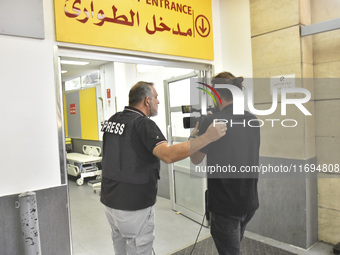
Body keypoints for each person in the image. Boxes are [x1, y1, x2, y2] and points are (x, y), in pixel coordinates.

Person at [100, 81, 227, 255]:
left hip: (110, 201)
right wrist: (207, 137)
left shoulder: (114, 119)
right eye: (156, 97)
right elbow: (168, 155)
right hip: (134, 205)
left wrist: (192, 139)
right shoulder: (144, 125)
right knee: (139, 249)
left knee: (120, 247)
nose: (158, 102)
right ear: (146, 101)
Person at [190, 72, 261, 255]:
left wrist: (194, 134)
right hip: (249, 202)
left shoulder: (211, 121)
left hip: (225, 207)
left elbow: (195, 159)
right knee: (234, 247)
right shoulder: (252, 119)